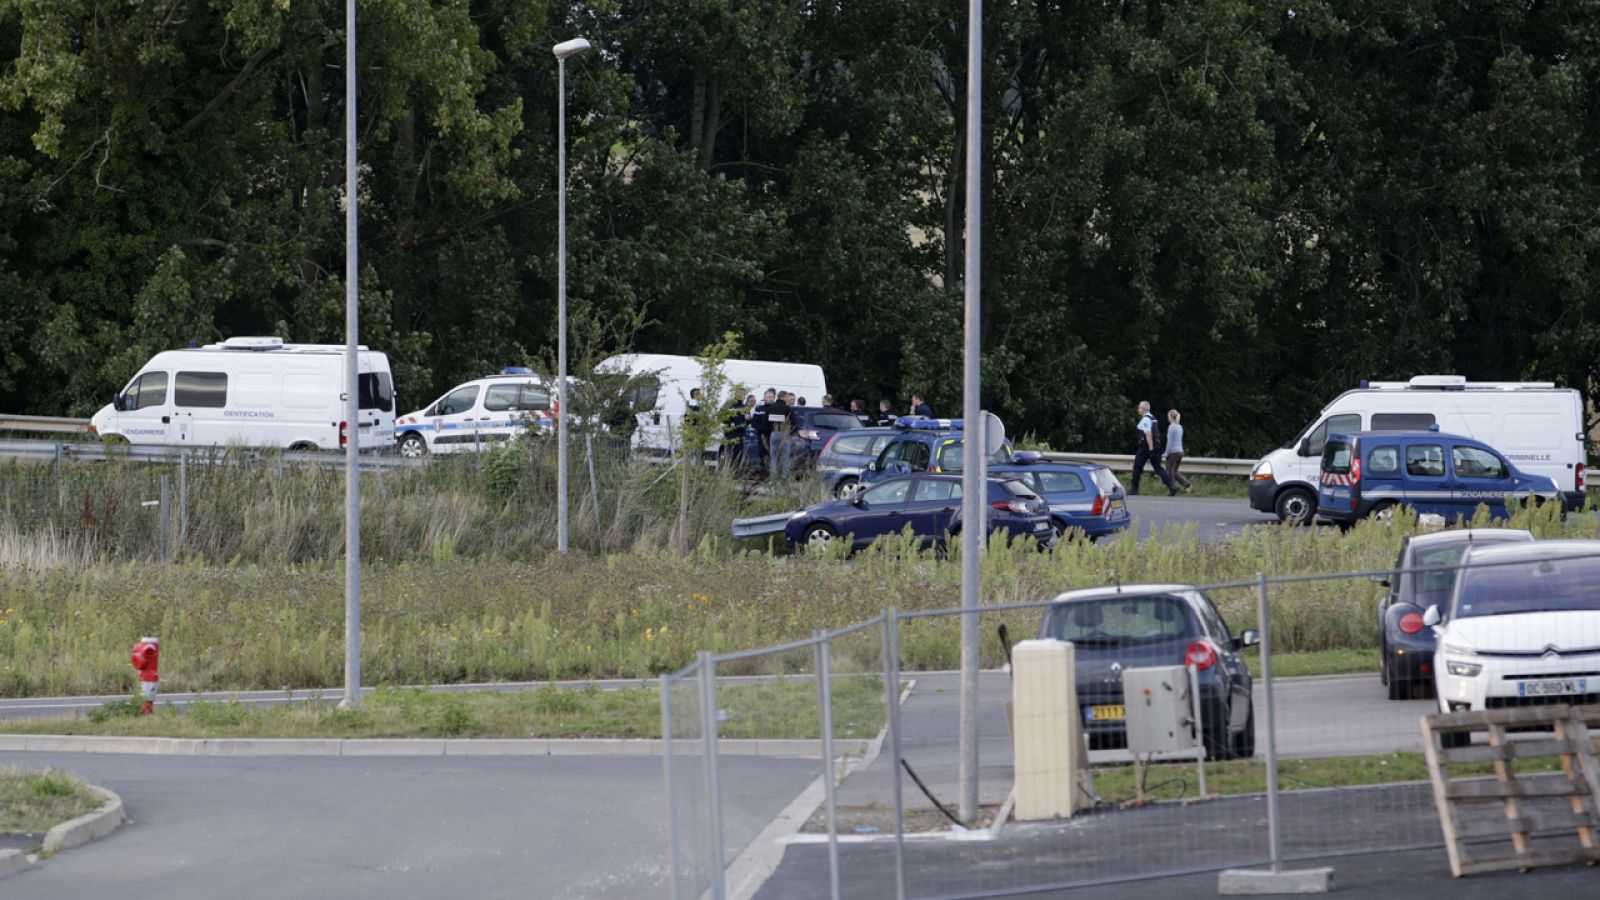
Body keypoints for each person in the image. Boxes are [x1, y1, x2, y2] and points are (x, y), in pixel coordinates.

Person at [1131, 400, 1175, 496]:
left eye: (1139, 407)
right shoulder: (1153, 418)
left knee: (1137, 467)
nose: (1138, 409)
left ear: (1143, 409)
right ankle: (1172, 486)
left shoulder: (1145, 420)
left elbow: (1148, 434)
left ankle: (1134, 489)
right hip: (1156, 446)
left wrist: (1150, 449)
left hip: (1146, 447)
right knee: (1158, 468)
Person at [767, 391, 794, 478]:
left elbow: (766, 422)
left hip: (774, 434)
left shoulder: (771, 408)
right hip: (784, 434)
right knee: (785, 457)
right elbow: (794, 421)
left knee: (773, 457)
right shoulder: (787, 408)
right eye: (787, 397)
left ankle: (773, 477)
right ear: (783, 397)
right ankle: (785, 477)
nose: (788, 399)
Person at [1165, 409, 1193, 494]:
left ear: (1171, 417)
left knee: (1169, 471)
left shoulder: (1171, 427)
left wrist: (1166, 453)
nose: (1168, 418)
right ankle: (1187, 484)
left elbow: (1169, 442)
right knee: (1174, 471)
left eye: (1168, 416)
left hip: (1173, 452)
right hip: (1180, 452)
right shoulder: (1180, 427)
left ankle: (1173, 488)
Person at [751, 389, 776, 470]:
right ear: (764, 398)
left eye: (772, 397)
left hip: (774, 435)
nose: (771, 399)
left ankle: (772, 471)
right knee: (762, 452)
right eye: (769, 397)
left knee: (772, 453)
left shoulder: (776, 408)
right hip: (762, 435)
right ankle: (763, 470)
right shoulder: (759, 408)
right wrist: (761, 428)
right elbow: (754, 423)